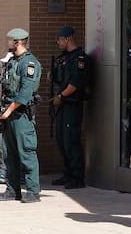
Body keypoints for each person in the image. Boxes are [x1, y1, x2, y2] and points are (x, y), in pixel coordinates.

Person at [0, 28, 42, 203]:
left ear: (18, 42)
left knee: (27, 153)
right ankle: (12, 190)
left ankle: (33, 191)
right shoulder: (13, 61)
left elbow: (25, 94)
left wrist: (7, 112)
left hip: (21, 115)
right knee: (9, 154)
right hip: (9, 114)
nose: (8, 43)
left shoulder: (29, 63)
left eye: (10, 41)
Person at [51, 26, 88, 189]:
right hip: (64, 105)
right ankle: (68, 173)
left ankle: (77, 177)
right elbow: (62, 79)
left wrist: (61, 96)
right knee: (62, 140)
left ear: (68, 39)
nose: (58, 42)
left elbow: (75, 83)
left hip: (72, 104)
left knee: (71, 140)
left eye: (59, 39)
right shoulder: (65, 58)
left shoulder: (79, 58)